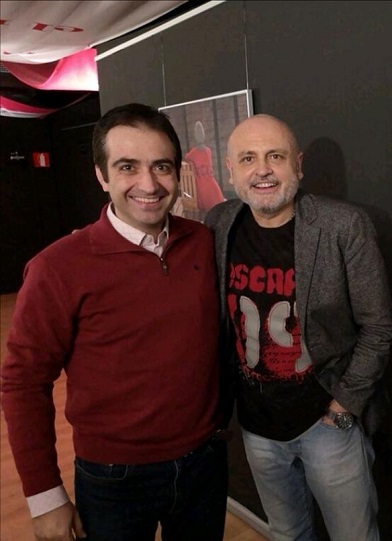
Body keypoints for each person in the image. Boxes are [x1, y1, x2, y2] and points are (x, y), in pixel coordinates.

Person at [1, 103, 229, 541]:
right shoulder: (57, 268)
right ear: (101, 176)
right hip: (114, 479)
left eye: (161, 166)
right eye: (128, 167)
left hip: (204, 463)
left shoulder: (202, 242)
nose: (148, 184)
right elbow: (23, 383)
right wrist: (45, 495)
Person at [205, 114, 392, 541]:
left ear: (298, 163)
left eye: (275, 155)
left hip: (326, 425)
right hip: (256, 427)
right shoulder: (218, 223)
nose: (263, 170)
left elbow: (379, 327)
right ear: (231, 169)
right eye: (248, 158)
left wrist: (342, 408)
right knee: (288, 534)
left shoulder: (342, 226)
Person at [185, 120, 226, 216]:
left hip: (201, 187)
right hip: (212, 185)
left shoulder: (193, 153)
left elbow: (187, 157)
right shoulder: (208, 151)